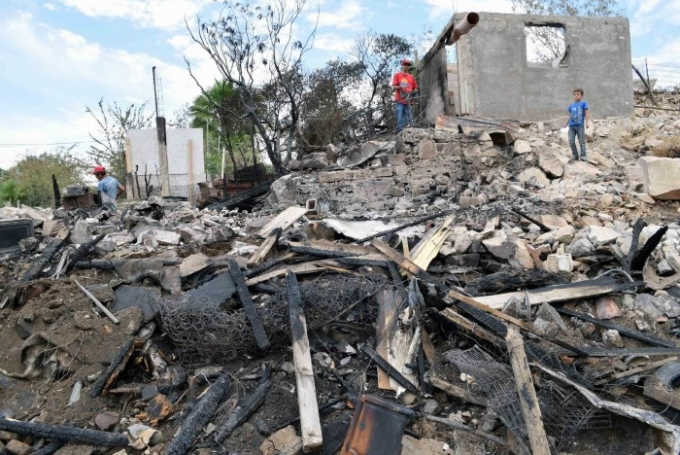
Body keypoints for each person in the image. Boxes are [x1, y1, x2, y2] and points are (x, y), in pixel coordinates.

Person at [392, 59, 418, 133]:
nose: (406, 66)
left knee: (410, 116)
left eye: (408, 65)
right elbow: (394, 86)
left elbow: (415, 87)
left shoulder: (411, 77)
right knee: (399, 116)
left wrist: (413, 93)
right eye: (405, 64)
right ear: (402, 65)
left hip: (409, 100)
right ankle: (400, 132)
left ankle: (412, 132)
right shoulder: (397, 75)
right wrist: (401, 86)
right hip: (400, 100)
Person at [565, 88, 590, 161]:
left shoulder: (584, 104)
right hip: (571, 126)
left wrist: (587, 122)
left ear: (581, 96)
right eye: (575, 94)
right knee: (571, 141)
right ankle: (575, 155)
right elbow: (569, 116)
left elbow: (586, 113)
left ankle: (583, 155)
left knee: (581, 141)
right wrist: (565, 123)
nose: (576, 96)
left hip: (580, 126)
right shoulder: (571, 105)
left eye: (578, 94)